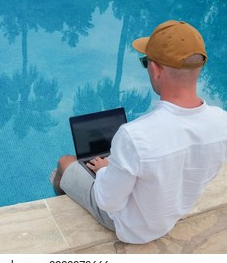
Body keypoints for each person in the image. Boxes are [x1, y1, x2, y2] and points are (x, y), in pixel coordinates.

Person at [52, 20, 227, 244]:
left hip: (130, 228)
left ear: (155, 69)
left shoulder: (134, 136)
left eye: (146, 62)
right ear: (199, 67)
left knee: (65, 163)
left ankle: (62, 196)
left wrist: (106, 170)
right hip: (170, 216)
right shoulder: (221, 122)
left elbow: (107, 201)